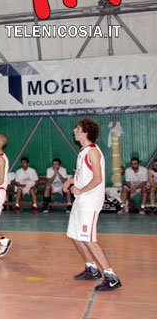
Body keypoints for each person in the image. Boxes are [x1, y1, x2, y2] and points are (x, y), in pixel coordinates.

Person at [64, 118, 122, 291]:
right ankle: (92, 268)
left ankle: (112, 276)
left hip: (89, 201)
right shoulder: (83, 151)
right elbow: (84, 175)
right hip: (81, 200)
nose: (74, 130)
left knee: (88, 238)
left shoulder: (93, 152)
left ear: (85, 132)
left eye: (77, 128)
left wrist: (81, 190)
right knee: (75, 235)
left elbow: (97, 178)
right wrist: (70, 180)